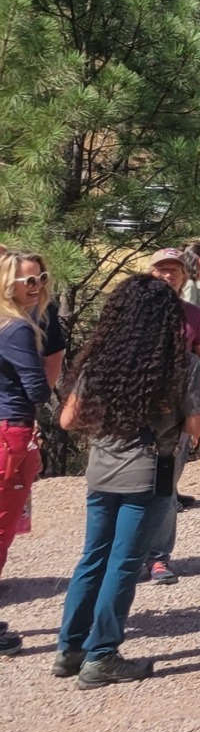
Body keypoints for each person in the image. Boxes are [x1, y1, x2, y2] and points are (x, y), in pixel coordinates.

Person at [53, 274, 200, 686]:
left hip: (101, 470)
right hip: (149, 474)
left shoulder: (99, 363)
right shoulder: (182, 366)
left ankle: (70, 649)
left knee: (93, 557)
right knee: (124, 564)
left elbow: (67, 420)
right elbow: (196, 426)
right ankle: (102, 655)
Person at [142, 247, 200, 584]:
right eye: (162, 269)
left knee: (165, 488)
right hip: (132, 416)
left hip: (174, 419)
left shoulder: (194, 316)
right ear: (150, 273)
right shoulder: (134, 311)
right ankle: (128, 556)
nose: (168, 275)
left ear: (184, 276)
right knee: (127, 489)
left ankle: (158, 558)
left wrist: (191, 402)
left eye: (174, 270)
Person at [0, 251, 55, 656]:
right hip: (12, 433)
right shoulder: (17, 328)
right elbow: (36, 388)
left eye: (41, 278)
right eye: (28, 281)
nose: (37, 287)